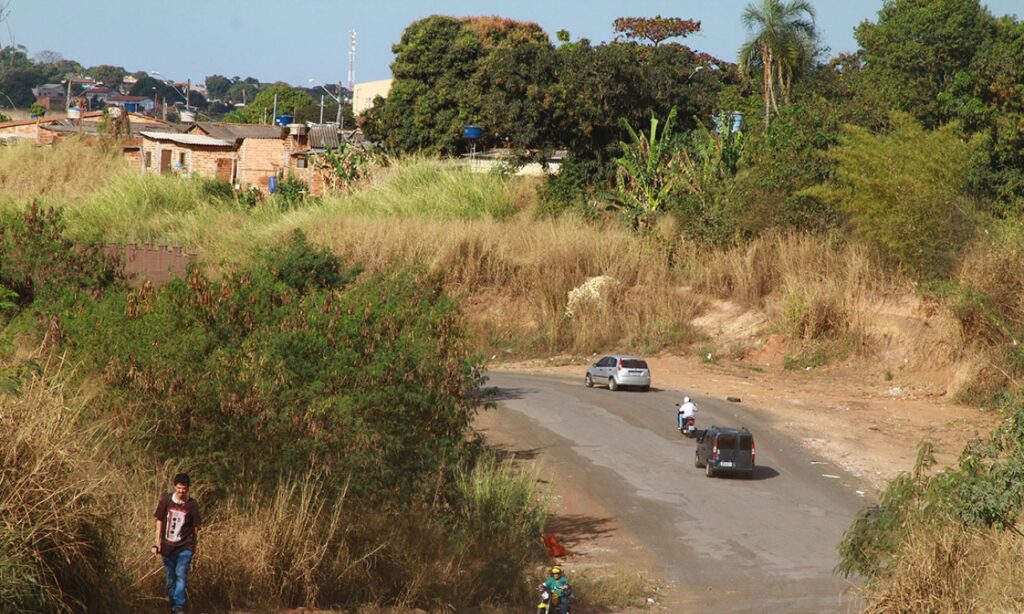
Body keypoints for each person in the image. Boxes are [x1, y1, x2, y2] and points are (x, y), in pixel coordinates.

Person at [152, 473, 201, 614]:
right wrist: (157, 542)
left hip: (185, 546)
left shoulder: (192, 505)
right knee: (170, 579)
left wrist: (194, 545)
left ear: (188, 489)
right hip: (167, 547)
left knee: (181, 574)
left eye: (184, 489)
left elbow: (195, 527)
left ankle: (179, 606)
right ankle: (173, 606)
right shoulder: (166, 500)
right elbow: (159, 520)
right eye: (179, 488)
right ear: (175, 487)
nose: (181, 491)